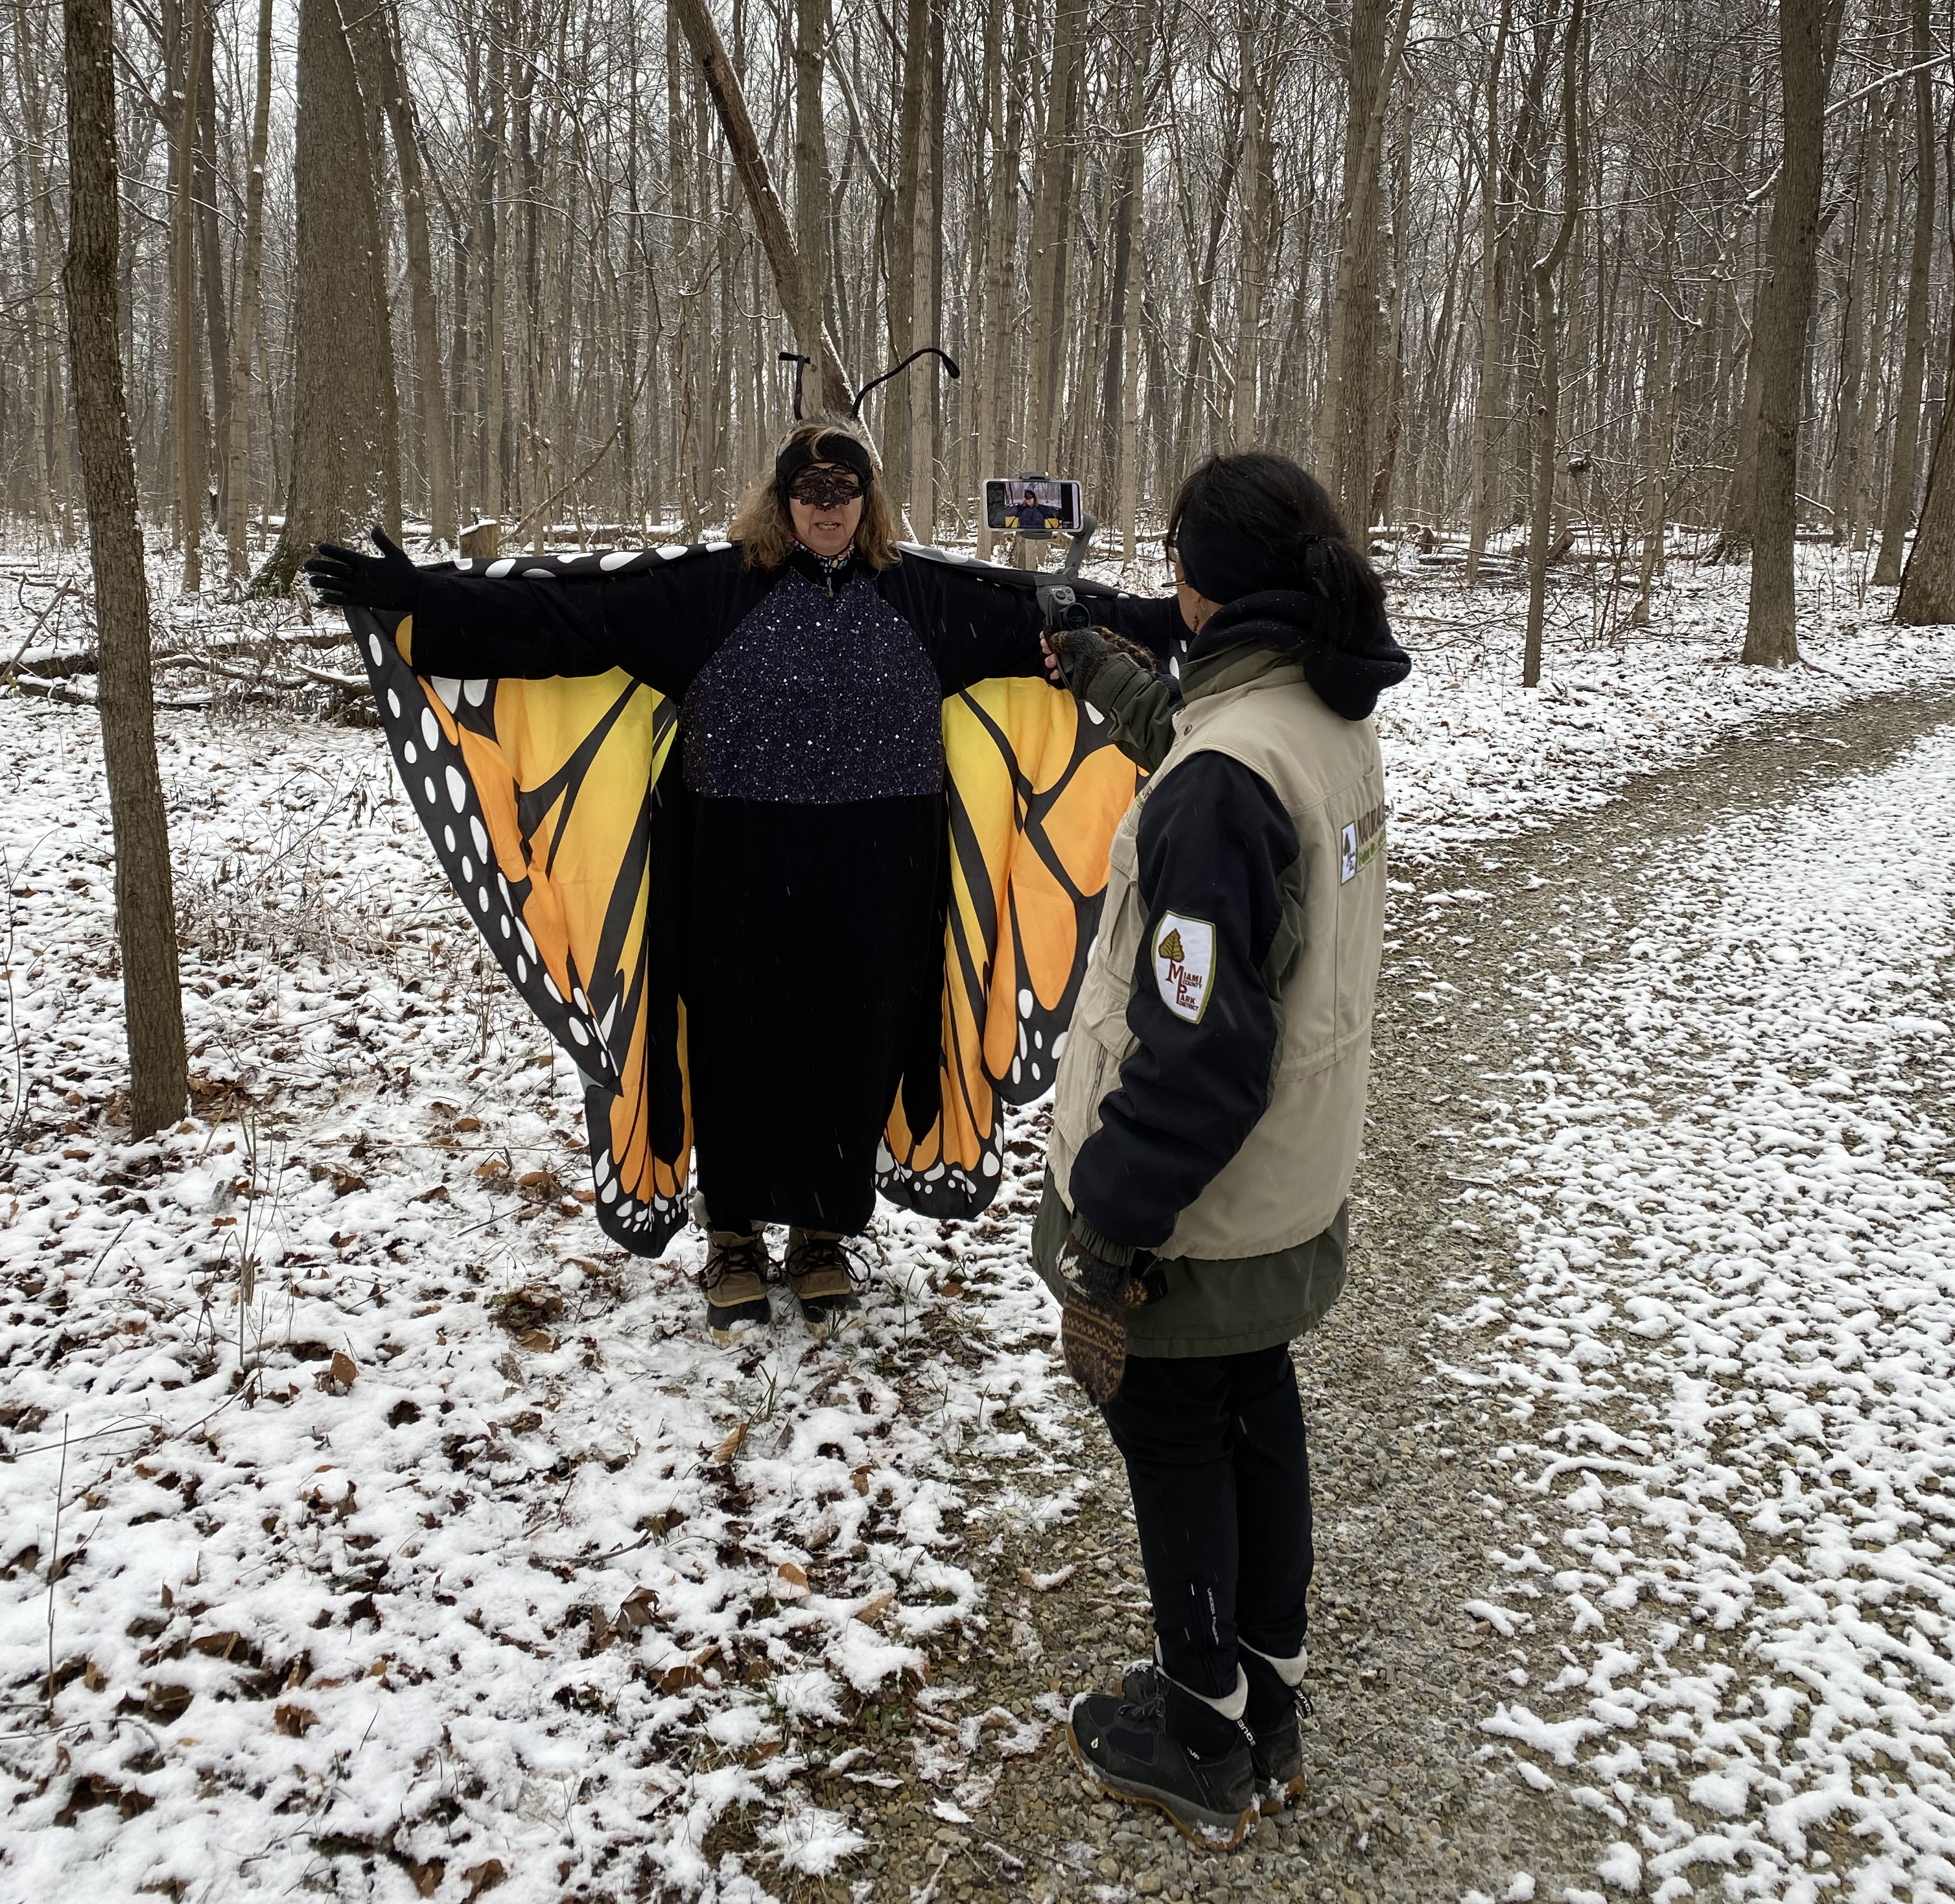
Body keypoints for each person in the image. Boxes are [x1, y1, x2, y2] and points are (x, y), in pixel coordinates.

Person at [306, 421, 1084, 1346]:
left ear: (869, 501)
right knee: (737, 1047)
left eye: (845, 491)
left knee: (853, 1041)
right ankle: (734, 1236)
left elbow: (1048, 619)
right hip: (737, 871)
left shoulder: (921, 601)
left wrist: (1185, 626)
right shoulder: (717, 594)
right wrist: (416, 601)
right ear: (782, 499)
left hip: (881, 874)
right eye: (810, 490)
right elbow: (569, 621)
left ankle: (822, 1233)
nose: (827, 508)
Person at [1033, 452, 1412, 1845]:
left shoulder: (1224, 785)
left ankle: (1201, 1729)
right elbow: (1208, 755)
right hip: (1282, 1192)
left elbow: (1195, 1049)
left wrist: (1110, 1235)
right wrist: (1106, 673)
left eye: (1173, 565)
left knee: (1175, 1432)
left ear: (1201, 583)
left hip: (1194, 1214)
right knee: (1257, 1410)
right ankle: (1270, 1693)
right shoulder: (1321, 706)